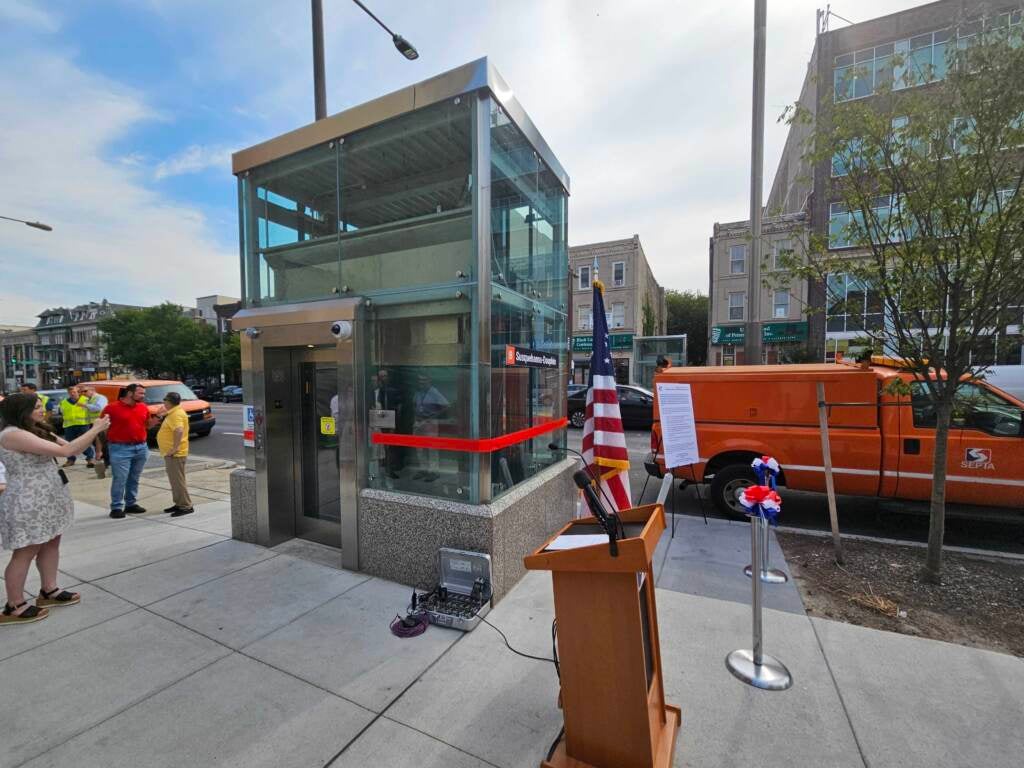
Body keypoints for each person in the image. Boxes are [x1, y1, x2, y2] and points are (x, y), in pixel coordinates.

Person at [0, 393, 110, 626]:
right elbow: (66, 451)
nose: (43, 410)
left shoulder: (34, 429)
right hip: (28, 500)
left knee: (51, 543)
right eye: (37, 407)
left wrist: (92, 432)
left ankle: (49, 591)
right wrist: (95, 429)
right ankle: (14, 605)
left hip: (48, 497)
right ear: (22, 411)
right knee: (25, 552)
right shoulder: (13, 434)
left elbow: (70, 447)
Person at [103, 384, 155, 519]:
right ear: (130, 393)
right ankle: (116, 507)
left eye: (144, 393)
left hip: (141, 447)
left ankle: (131, 504)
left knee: (134, 477)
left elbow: (147, 425)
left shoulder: (143, 407)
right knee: (120, 478)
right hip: (120, 448)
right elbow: (102, 427)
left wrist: (158, 418)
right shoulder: (112, 408)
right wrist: (103, 447)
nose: (143, 396)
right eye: (140, 393)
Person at [157, 392, 193, 517]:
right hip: (173, 453)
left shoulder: (175, 414)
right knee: (175, 480)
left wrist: (174, 448)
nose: (163, 403)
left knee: (178, 481)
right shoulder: (174, 412)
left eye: (165, 400)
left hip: (175, 454)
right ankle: (179, 503)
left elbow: (178, 430)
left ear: (168, 402)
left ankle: (186, 506)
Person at [412, 373, 448, 482]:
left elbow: (446, 405)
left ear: (429, 381)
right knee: (419, 448)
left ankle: (434, 471)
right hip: (418, 421)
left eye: (423, 380)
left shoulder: (434, 392)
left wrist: (434, 415)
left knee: (432, 448)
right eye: (419, 380)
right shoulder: (418, 392)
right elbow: (414, 404)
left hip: (430, 422)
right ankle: (423, 469)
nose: (421, 382)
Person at [373, 369, 402, 479]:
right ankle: (378, 470)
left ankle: (389, 469)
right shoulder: (373, 393)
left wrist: (392, 424)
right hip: (375, 423)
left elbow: (396, 408)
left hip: (388, 422)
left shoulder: (391, 391)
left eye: (385, 376)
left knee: (389, 448)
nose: (383, 379)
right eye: (381, 377)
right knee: (377, 449)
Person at [58, 385, 95, 468]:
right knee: (69, 443)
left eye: (74, 392)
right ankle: (70, 459)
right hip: (69, 425)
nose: (72, 394)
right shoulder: (63, 402)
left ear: (78, 392)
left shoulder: (85, 400)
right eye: (70, 392)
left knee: (84, 442)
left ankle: (90, 459)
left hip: (83, 424)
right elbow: (61, 412)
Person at [80, 384, 109, 478]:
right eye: (82, 392)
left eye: (85, 391)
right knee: (96, 443)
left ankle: (108, 462)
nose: (83, 393)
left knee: (103, 443)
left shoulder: (100, 398)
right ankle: (103, 459)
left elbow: (99, 408)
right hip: (93, 424)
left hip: (101, 423)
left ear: (92, 390)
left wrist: (85, 405)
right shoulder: (88, 399)